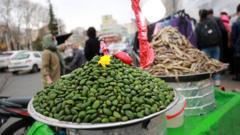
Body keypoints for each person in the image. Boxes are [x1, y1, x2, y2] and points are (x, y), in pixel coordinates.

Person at [195, 9, 222, 86]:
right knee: (216, 63)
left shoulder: (199, 25)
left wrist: (200, 48)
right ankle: (217, 80)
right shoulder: (213, 22)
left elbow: (197, 38)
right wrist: (218, 43)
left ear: (200, 15)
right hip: (215, 46)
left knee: (206, 64)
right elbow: (219, 33)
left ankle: (208, 81)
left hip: (205, 48)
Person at [231, 4, 240, 81]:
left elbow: (233, 36)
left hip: (238, 46)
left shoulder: (236, 22)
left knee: (237, 62)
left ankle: (237, 76)